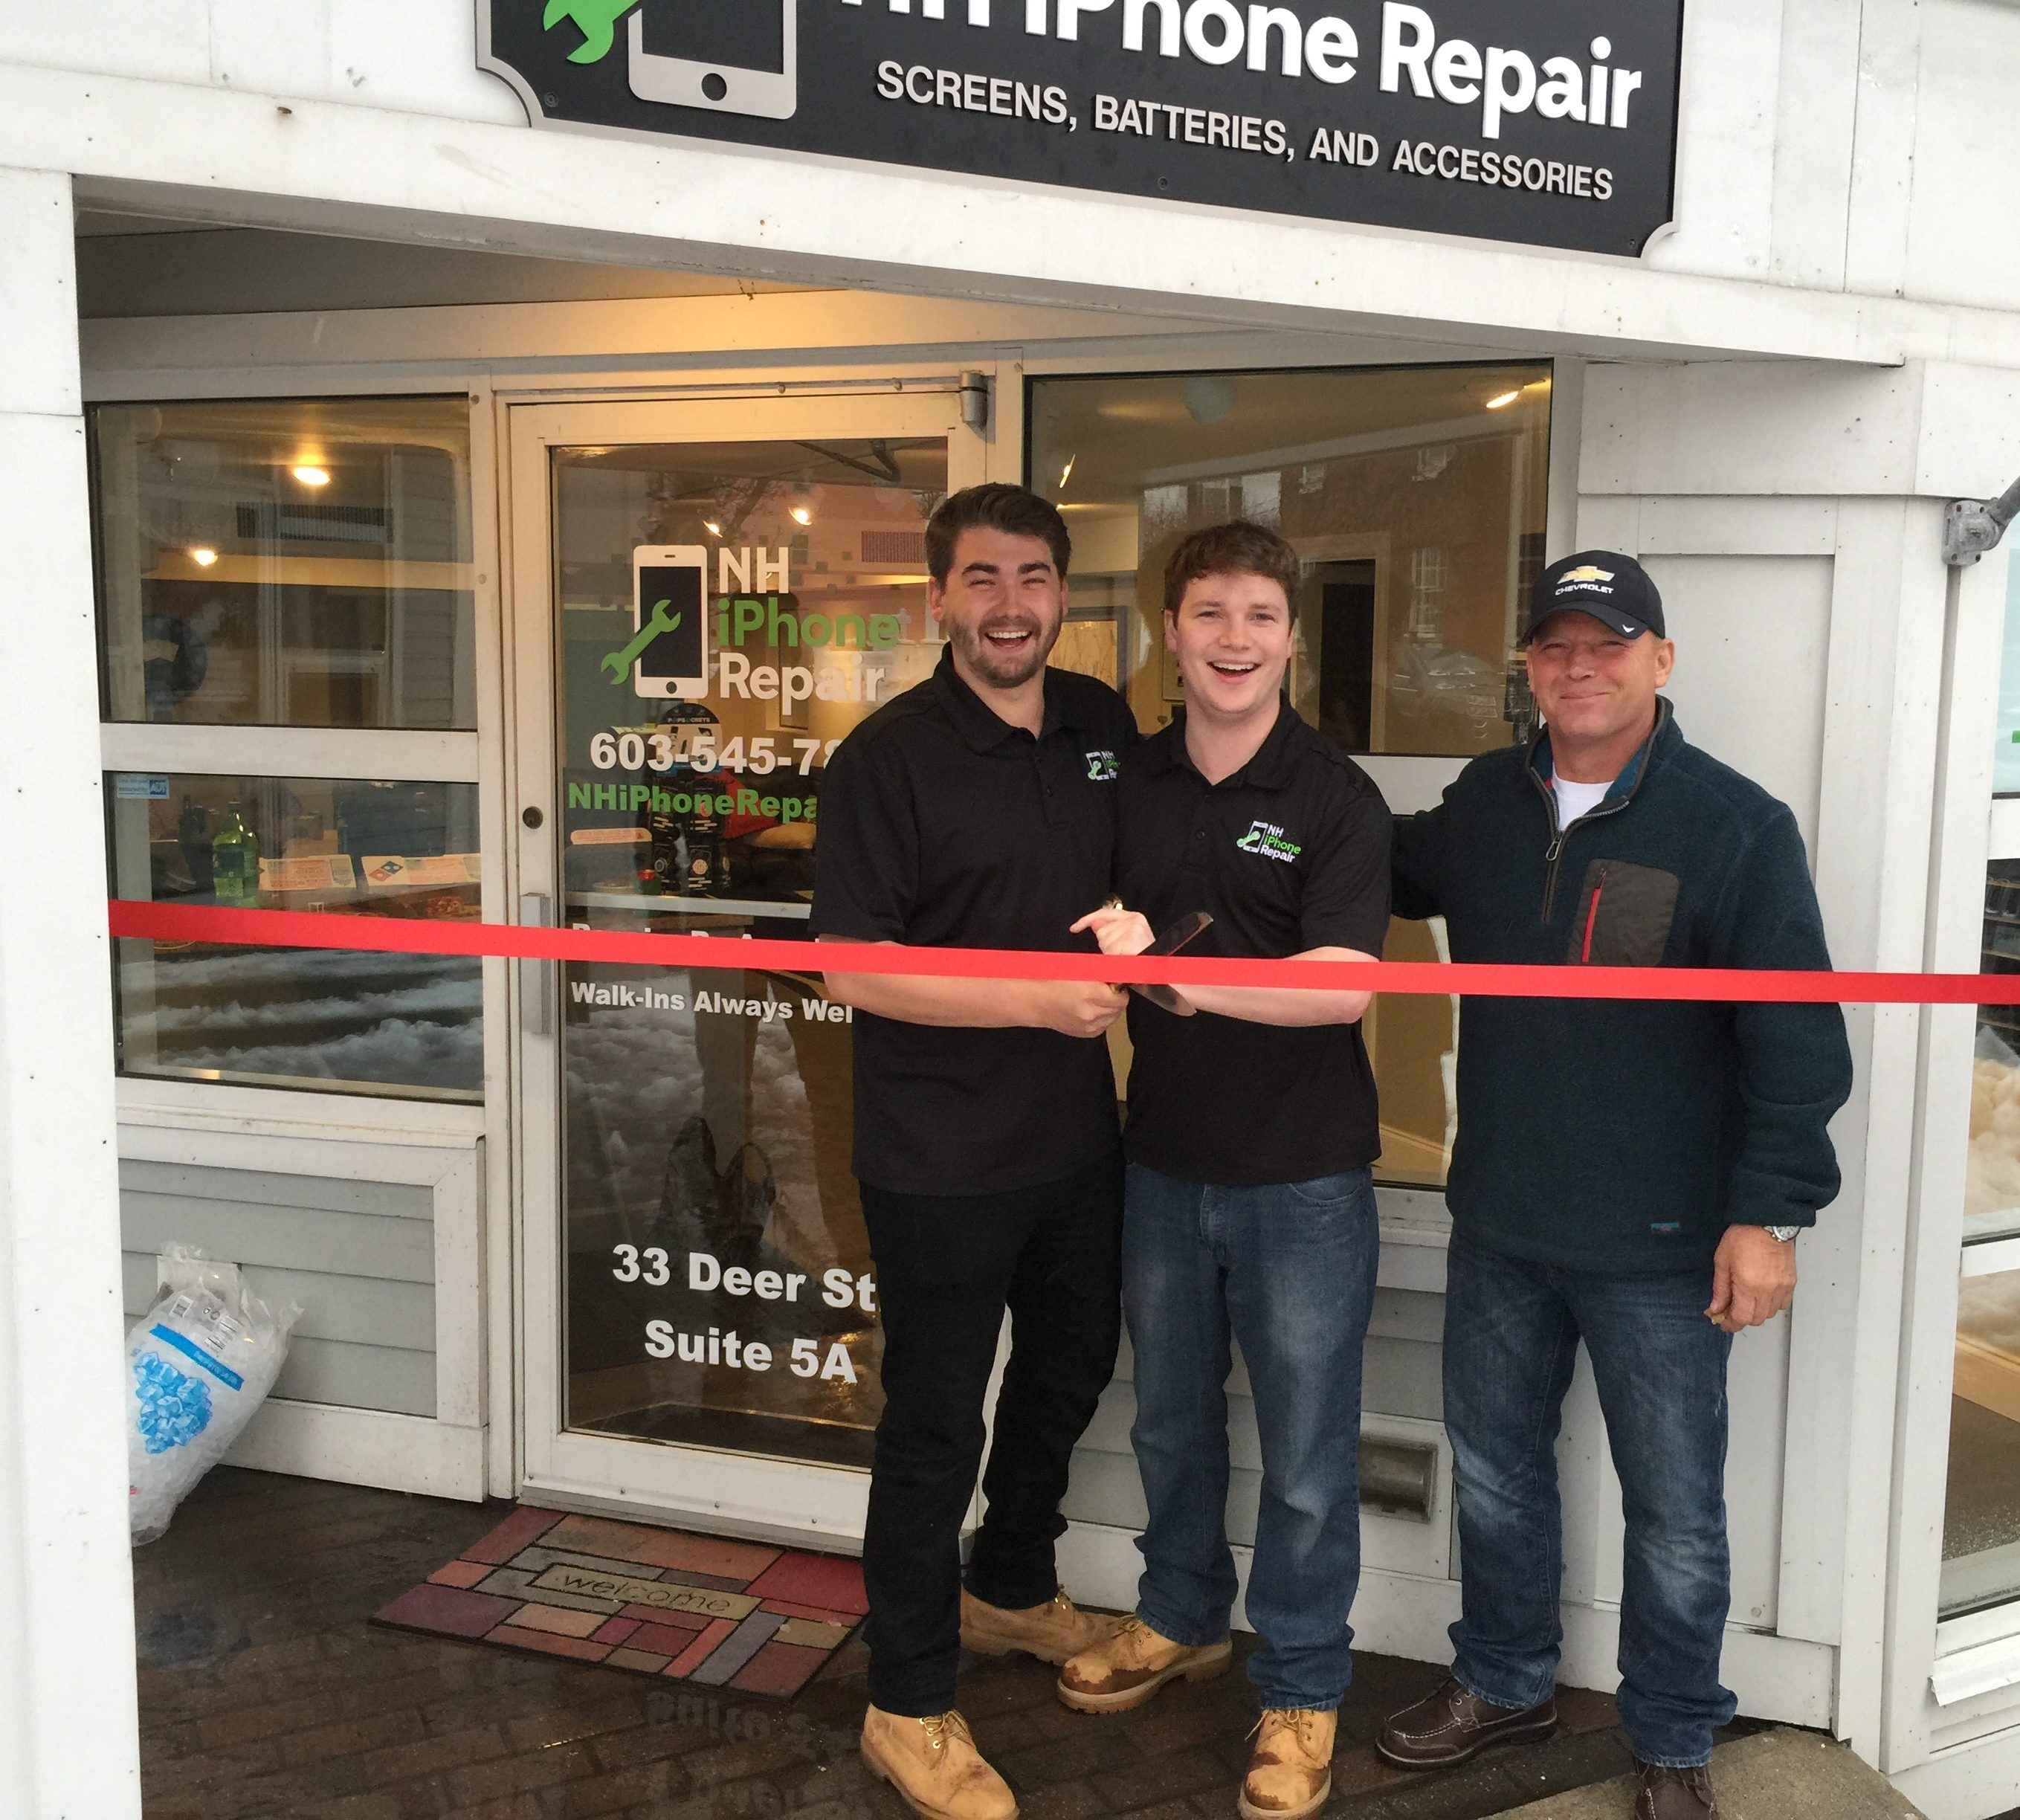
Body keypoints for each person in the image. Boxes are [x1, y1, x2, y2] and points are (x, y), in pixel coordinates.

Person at [1377, 552, 1855, 1820]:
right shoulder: (1486, 799)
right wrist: (1242, 813)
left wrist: (1767, 1214)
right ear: (1528, 666)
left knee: (1677, 1519)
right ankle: (1506, 1682)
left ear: (1659, 658)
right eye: (1553, 646)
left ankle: (1672, 1739)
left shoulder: (1732, 826)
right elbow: (1364, 862)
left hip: (1661, 1242)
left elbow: (1797, 1043)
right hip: (1501, 1223)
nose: (1576, 666)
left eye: (1607, 642)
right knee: (1496, 1475)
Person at [811, 483, 1137, 1820]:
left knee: (1065, 1375)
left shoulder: (1101, 727)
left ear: (1064, 593)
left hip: (1074, 1142)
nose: (1012, 605)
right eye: (984, 580)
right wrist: (1034, 1000)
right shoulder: (885, 758)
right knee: (935, 1420)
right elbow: (850, 972)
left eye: (1035, 579)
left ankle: (1007, 1586)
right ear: (938, 599)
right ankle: (906, 1700)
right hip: (937, 1152)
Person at [1059, 522, 1392, 1820]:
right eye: (1208, 613)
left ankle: (1303, 1688)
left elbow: (1342, 991)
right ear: (1170, 630)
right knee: (1169, 1423)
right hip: (1162, 1163)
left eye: (1259, 615)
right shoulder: (1128, 785)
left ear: (1292, 637)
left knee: (1308, 1457)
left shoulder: (1332, 797)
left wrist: (1175, 980)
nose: (1234, 639)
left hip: (1303, 1180)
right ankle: (1180, 1617)